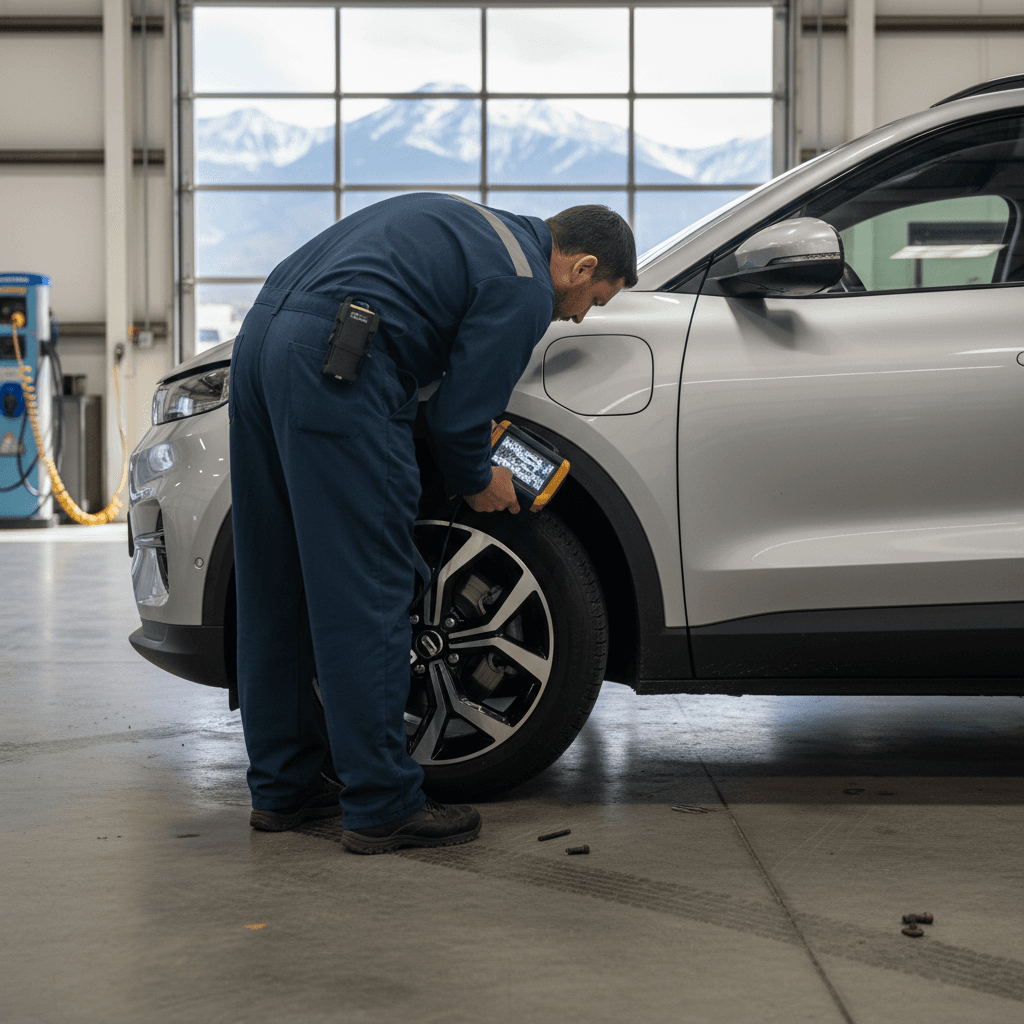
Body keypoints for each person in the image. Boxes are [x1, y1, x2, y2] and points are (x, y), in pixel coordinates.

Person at [228, 193, 637, 854]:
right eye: (597, 300)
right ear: (583, 267)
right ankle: (383, 803)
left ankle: (283, 788)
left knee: (275, 584)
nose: (581, 315)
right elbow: (458, 421)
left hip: (259, 346)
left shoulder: (477, 229)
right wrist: (480, 479)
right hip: (340, 365)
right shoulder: (527, 285)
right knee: (367, 592)